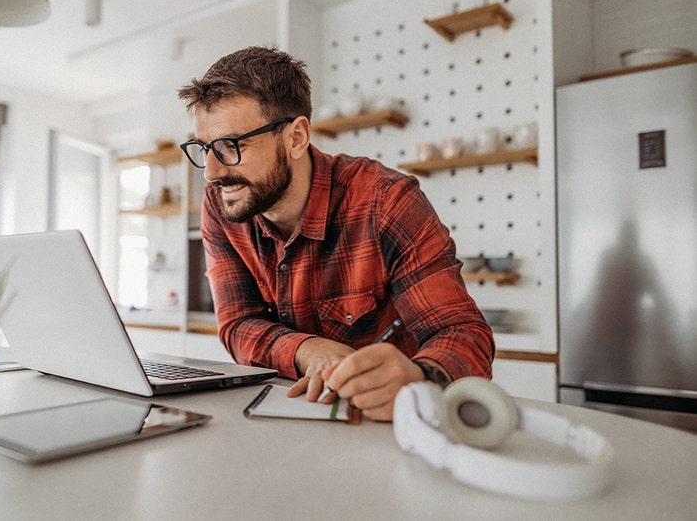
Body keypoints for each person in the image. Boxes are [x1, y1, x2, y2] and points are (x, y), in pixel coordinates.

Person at [177, 46, 493, 421]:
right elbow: (237, 324)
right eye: (204, 148)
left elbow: (463, 332)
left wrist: (421, 376)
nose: (211, 172)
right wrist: (309, 350)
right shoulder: (223, 202)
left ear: (295, 138)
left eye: (231, 146)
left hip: (391, 424)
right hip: (289, 417)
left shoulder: (386, 202)